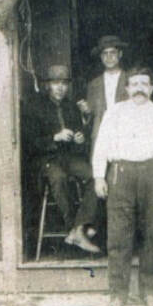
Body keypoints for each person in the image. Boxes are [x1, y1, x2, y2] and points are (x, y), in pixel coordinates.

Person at [92, 66, 153, 306]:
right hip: (121, 173)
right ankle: (118, 294)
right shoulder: (115, 113)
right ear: (127, 88)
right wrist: (99, 176)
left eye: (144, 84)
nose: (139, 88)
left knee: (151, 233)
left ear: (151, 88)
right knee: (119, 235)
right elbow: (101, 146)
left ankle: (149, 292)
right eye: (135, 84)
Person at [23, 65, 100, 254]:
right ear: (48, 85)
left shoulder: (71, 106)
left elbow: (78, 140)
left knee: (94, 176)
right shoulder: (35, 106)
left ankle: (79, 226)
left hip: (67, 157)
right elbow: (29, 142)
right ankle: (73, 228)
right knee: (58, 178)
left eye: (64, 84)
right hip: (45, 159)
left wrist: (79, 138)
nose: (60, 88)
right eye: (56, 83)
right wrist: (54, 137)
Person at [77, 35, 129, 147]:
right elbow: (90, 118)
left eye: (113, 53)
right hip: (101, 136)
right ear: (100, 57)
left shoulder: (130, 80)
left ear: (120, 54)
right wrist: (86, 111)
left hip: (125, 134)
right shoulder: (93, 84)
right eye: (105, 53)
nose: (109, 57)